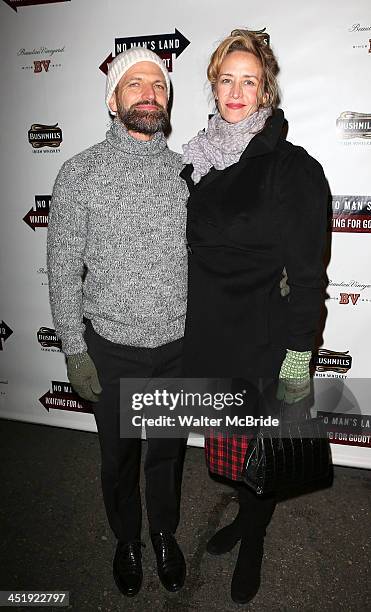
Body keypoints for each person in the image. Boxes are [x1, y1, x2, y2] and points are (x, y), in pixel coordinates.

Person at [181, 29, 329, 604]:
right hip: (209, 342)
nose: (236, 91)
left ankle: (254, 539)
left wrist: (297, 358)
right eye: (226, 79)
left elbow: (309, 278)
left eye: (250, 80)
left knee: (261, 455)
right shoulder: (198, 159)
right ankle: (246, 517)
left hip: (263, 347)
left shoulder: (291, 168)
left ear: (266, 89)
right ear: (213, 86)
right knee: (231, 456)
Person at [47, 48, 189, 598]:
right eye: (135, 84)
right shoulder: (79, 173)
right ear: (114, 100)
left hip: (179, 349)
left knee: (167, 453)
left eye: (158, 85)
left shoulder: (187, 174)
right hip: (113, 349)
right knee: (121, 457)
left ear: (167, 102)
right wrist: (75, 351)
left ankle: (163, 533)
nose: (149, 92)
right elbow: (62, 269)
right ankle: (127, 538)